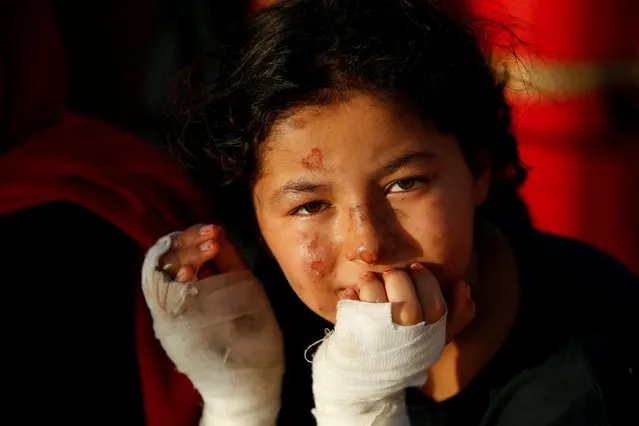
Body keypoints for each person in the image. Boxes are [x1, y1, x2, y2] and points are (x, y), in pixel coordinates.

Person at [141, 0, 639, 425]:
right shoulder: (271, 319)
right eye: (310, 205)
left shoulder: (587, 374)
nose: (369, 243)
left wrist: (361, 405)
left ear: (478, 170)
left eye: (406, 183)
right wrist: (240, 397)